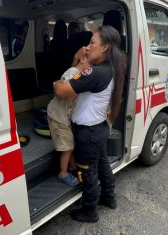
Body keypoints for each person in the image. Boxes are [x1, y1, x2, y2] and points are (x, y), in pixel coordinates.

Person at [53, 25, 127, 222]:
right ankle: (109, 198)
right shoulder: (109, 68)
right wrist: (80, 62)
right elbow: (76, 79)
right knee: (102, 165)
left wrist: (59, 80)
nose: (87, 47)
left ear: (104, 47)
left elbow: (61, 90)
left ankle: (89, 211)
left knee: (88, 173)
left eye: (92, 42)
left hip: (88, 133)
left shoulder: (95, 73)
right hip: (99, 128)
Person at [47, 57, 91, 187]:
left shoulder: (78, 74)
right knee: (67, 146)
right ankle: (63, 173)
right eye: (90, 63)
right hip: (58, 116)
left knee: (70, 142)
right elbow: (65, 92)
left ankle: (72, 167)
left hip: (63, 116)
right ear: (82, 60)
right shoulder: (74, 72)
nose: (91, 68)